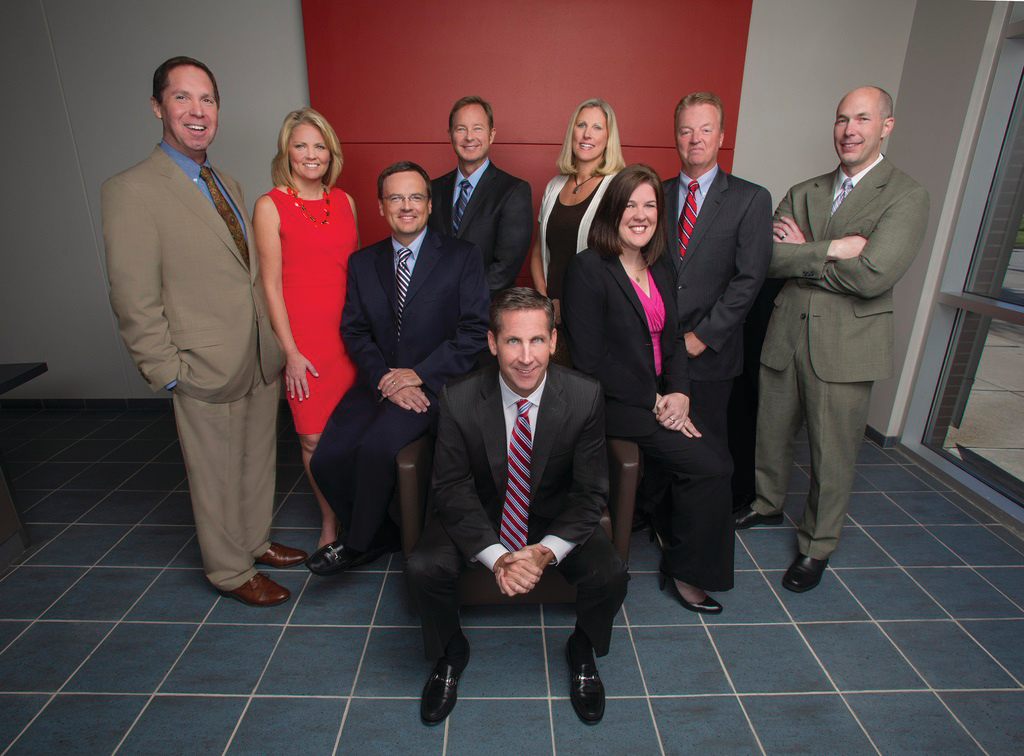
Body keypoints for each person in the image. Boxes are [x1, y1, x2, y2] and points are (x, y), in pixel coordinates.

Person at [101, 56, 306, 607]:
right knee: (213, 476)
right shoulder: (132, 190)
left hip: (257, 356)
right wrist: (168, 371)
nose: (197, 111)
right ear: (157, 106)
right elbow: (131, 295)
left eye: (207, 99)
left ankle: (254, 542)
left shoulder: (228, 184)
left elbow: (246, 274)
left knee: (257, 461)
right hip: (201, 363)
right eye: (182, 98)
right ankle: (229, 570)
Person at [734, 86, 929, 593]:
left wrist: (807, 254)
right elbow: (769, 260)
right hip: (786, 332)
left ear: (887, 125)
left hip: (847, 345)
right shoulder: (804, 190)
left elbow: (873, 276)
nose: (849, 130)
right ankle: (766, 504)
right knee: (771, 432)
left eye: (863, 119)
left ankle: (816, 545)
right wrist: (839, 249)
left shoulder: (906, 195)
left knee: (833, 452)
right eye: (842, 119)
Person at [405, 288, 627, 725]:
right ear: (492, 343)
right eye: (513, 341)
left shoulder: (584, 396)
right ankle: (451, 650)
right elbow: (450, 487)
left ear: (554, 341)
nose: (526, 357)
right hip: (480, 514)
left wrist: (544, 551)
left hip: (552, 517)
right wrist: (499, 555)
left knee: (611, 572)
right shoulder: (458, 397)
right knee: (422, 566)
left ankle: (582, 648)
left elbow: (590, 492)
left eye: (537, 341)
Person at [563, 164, 734, 613]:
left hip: (661, 397)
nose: (640, 214)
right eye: (630, 204)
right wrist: (654, 400)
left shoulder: (660, 265)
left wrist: (679, 393)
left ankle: (676, 547)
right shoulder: (587, 269)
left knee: (715, 458)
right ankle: (688, 573)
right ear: (613, 211)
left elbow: (674, 338)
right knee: (711, 464)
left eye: (650, 205)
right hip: (613, 402)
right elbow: (591, 358)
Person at [305, 161, 489, 575]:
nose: (406, 206)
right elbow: (354, 332)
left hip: (435, 385)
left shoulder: (462, 257)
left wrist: (419, 374)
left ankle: (356, 544)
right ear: (381, 207)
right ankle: (381, 532)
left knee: (375, 450)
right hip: (378, 382)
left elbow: (474, 331)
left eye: (415, 197)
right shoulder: (362, 262)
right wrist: (386, 379)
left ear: (429, 204)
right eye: (396, 198)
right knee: (326, 459)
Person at [253, 108, 359, 550]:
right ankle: (330, 523)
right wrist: (289, 352)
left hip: (349, 336)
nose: (311, 155)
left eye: (319, 146)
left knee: (352, 433)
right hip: (305, 341)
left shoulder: (346, 201)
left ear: (330, 152)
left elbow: (357, 274)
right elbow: (270, 287)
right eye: (301, 146)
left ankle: (361, 516)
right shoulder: (269, 206)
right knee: (313, 438)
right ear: (287, 152)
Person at [661, 91, 773, 509]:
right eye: (686, 130)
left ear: (721, 136)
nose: (695, 139)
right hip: (659, 346)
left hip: (711, 353)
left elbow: (749, 280)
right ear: (675, 136)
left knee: (704, 449)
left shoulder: (750, 198)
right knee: (663, 440)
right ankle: (663, 517)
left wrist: (700, 338)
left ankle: (700, 528)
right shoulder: (656, 192)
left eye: (705, 129)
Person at [529, 98, 626, 363]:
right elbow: (539, 248)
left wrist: (569, 303)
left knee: (584, 391)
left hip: (592, 315)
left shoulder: (616, 187)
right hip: (551, 314)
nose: (587, 133)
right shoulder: (554, 185)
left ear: (608, 138)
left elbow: (619, 262)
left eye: (597, 127)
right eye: (581, 124)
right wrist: (546, 301)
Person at [429, 95, 533, 298]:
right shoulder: (432, 189)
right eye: (461, 129)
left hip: (486, 312)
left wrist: (458, 294)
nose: (469, 137)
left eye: (477, 128)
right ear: (450, 134)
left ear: (491, 134)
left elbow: (505, 267)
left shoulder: (514, 191)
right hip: (437, 310)